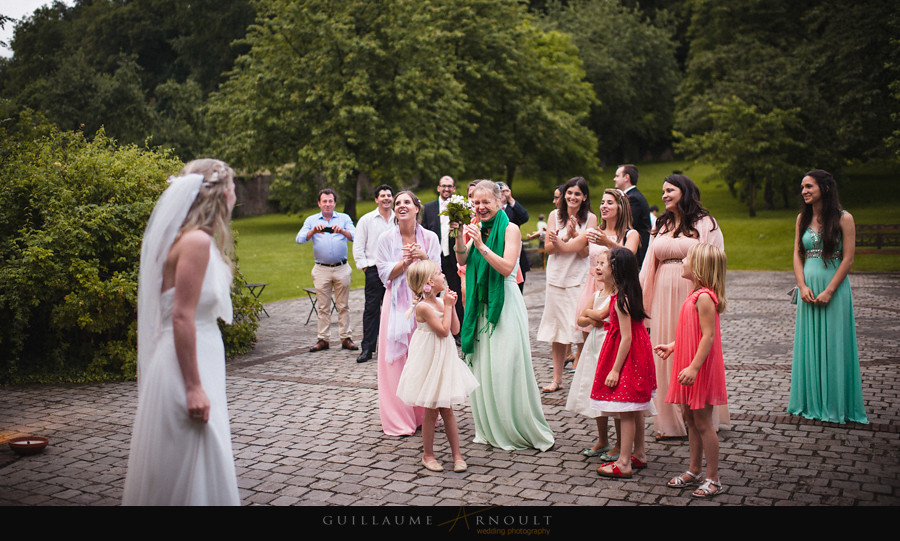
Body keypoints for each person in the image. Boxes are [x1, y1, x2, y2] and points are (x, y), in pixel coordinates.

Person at [123, 159, 240, 505]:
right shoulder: (195, 242)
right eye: (233, 187)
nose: (236, 194)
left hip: (195, 352)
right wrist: (193, 387)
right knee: (199, 452)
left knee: (193, 455)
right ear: (219, 194)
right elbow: (180, 316)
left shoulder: (187, 238)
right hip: (186, 362)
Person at [452, 180, 554, 451]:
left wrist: (482, 245)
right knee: (485, 366)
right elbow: (461, 262)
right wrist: (458, 236)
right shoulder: (474, 227)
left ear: (499, 202)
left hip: (505, 303)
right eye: (476, 202)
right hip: (479, 304)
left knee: (507, 365)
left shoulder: (511, 229)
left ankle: (515, 426)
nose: (481, 207)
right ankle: (490, 426)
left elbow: (508, 267)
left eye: (486, 202)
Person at [640, 174, 729, 439]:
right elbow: (648, 263)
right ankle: (670, 423)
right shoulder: (661, 224)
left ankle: (699, 416)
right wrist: (642, 298)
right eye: (663, 191)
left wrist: (708, 293)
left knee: (693, 347)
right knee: (665, 352)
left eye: (669, 190)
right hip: (662, 293)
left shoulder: (706, 223)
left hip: (692, 291)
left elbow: (716, 259)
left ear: (684, 191)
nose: (664, 195)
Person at [788, 170, 868, 424]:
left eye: (809, 186)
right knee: (809, 345)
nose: (804, 191)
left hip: (834, 288)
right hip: (809, 289)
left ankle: (835, 404)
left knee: (834, 344)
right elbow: (797, 254)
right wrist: (801, 286)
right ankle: (810, 401)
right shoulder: (803, 218)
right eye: (802, 187)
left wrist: (830, 290)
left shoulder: (845, 218)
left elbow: (848, 259)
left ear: (825, 187)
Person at [655, 243, 729, 498]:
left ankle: (713, 478)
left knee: (703, 422)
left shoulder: (705, 297)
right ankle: (694, 469)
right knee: (690, 418)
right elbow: (692, 332)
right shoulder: (694, 294)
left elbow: (708, 337)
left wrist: (694, 367)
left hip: (699, 368)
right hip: (687, 363)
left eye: (687, 258)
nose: (682, 261)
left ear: (699, 267)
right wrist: (674, 346)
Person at [396, 260, 479, 472]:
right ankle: (428, 455)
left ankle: (457, 455)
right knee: (432, 410)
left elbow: (454, 330)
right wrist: (449, 306)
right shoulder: (423, 307)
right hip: (429, 359)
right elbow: (442, 331)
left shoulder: (441, 303)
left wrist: (451, 306)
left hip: (445, 357)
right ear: (430, 282)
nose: (444, 276)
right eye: (440, 273)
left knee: (448, 409)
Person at [375, 191, 441, 436]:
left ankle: (424, 415)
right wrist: (404, 262)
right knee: (395, 362)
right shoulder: (385, 239)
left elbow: (438, 274)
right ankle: (399, 419)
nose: (401, 206)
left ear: (416, 208)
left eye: (406, 202)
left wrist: (423, 257)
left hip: (423, 305)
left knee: (421, 357)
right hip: (395, 307)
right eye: (398, 203)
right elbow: (383, 274)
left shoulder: (431, 238)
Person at [591, 248, 656, 479]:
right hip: (637, 350)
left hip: (628, 355)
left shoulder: (621, 300)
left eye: (605, 263)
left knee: (627, 409)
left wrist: (615, 370)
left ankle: (624, 461)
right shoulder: (626, 294)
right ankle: (639, 453)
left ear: (615, 270)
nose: (600, 267)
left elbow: (626, 337)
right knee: (635, 407)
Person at [537, 176, 597, 393]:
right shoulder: (555, 215)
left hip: (577, 279)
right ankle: (557, 379)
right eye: (569, 193)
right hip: (556, 278)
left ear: (584, 197)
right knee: (557, 331)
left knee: (580, 329)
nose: (572, 197)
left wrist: (574, 233)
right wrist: (564, 231)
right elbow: (550, 248)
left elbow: (585, 252)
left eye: (577, 194)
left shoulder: (590, 219)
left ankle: (583, 380)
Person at [297, 189, 357, 352]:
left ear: (335, 203)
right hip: (321, 269)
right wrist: (313, 231)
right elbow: (300, 239)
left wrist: (342, 231)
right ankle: (323, 339)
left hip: (341, 268)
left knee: (343, 305)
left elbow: (356, 236)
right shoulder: (311, 220)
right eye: (324, 201)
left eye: (330, 201)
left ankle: (346, 338)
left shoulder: (344, 218)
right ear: (319, 203)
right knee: (323, 306)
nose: (328, 204)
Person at [566, 255, 614, 457]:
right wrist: (594, 317)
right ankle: (603, 439)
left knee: (612, 395)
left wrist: (594, 316)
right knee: (596, 392)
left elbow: (602, 315)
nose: (598, 267)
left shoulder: (617, 296)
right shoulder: (597, 295)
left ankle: (620, 443)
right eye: (598, 264)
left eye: (603, 264)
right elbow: (581, 318)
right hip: (594, 347)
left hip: (609, 347)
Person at [352, 184, 395, 363]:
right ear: (376, 199)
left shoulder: (398, 219)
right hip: (374, 270)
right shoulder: (366, 220)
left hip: (395, 270)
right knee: (371, 310)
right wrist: (365, 267)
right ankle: (367, 349)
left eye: (389, 195)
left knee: (393, 310)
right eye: (382, 195)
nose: (386, 198)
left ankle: (391, 348)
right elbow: (358, 246)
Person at [422, 176, 464, 330]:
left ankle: (457, 331)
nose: (446, 189)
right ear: (438, 188)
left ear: (453, 189)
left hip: (453, 258)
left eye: (450, 186)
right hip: (434, 259)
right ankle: (435, 325)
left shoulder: (459, 207)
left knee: (456, 293)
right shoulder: (429, 208)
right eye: (443, 186)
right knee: (432, 293)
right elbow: (424, 231)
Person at [614, 164, 651, 266]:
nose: (614, 179)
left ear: (626, 177)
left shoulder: (632, 198)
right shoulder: (632, 196)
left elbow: (627, 224)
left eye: (617, 176)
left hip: (635, 254)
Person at [497, 181, 531, 292]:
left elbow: (525, 217)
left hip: (516, 254)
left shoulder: (513, 208)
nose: (502, 194)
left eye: (505, 191)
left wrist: (510, 199)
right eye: (499, 191)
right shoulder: (492, 210)